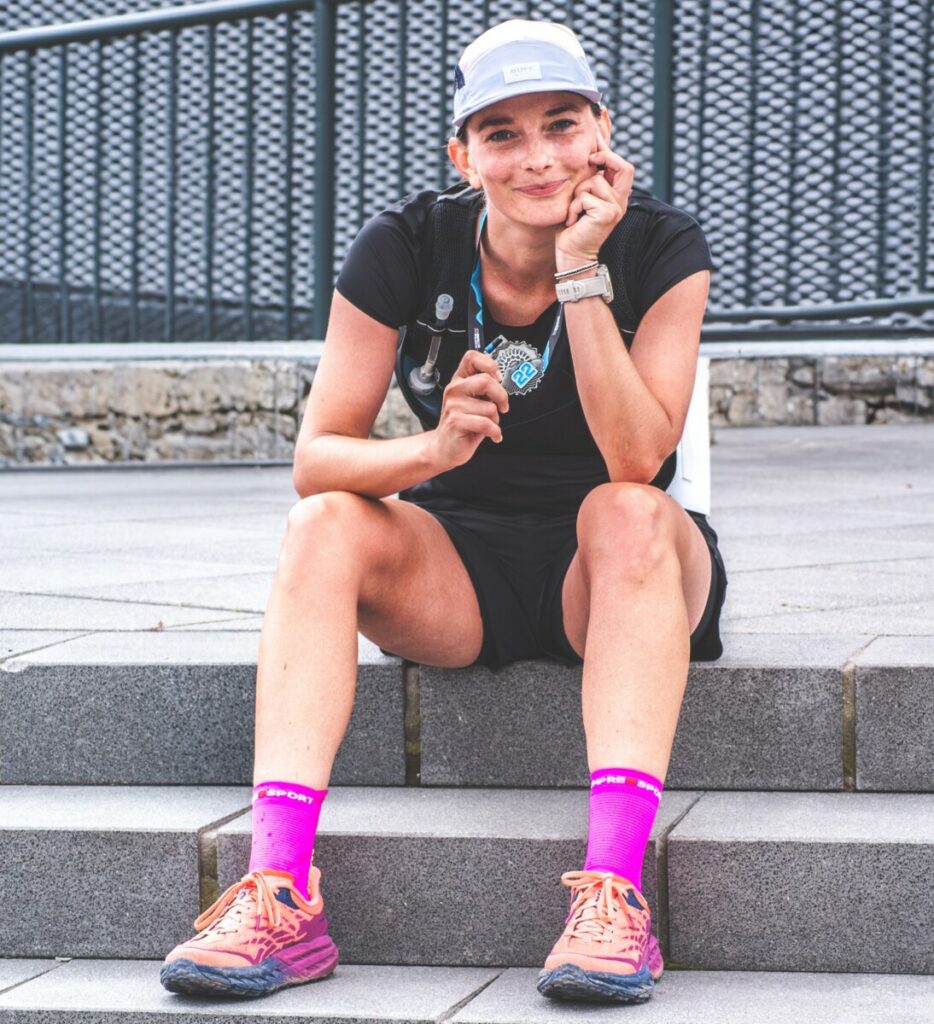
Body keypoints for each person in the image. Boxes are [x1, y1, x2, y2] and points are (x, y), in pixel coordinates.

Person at [160, 17, 727, 1006]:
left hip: (617, 575)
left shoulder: (662, 244)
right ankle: (280, 892)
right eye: (501, 133)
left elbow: (640, 456)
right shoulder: (405, 244)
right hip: (456, 567)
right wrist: (432, 448)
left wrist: (581, 269)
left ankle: (611, 899)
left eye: (561, 123)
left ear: (602, 130)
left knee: (626, 510)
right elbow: (316, 458)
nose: (539, 155)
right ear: (463, 153)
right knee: (322, 525)